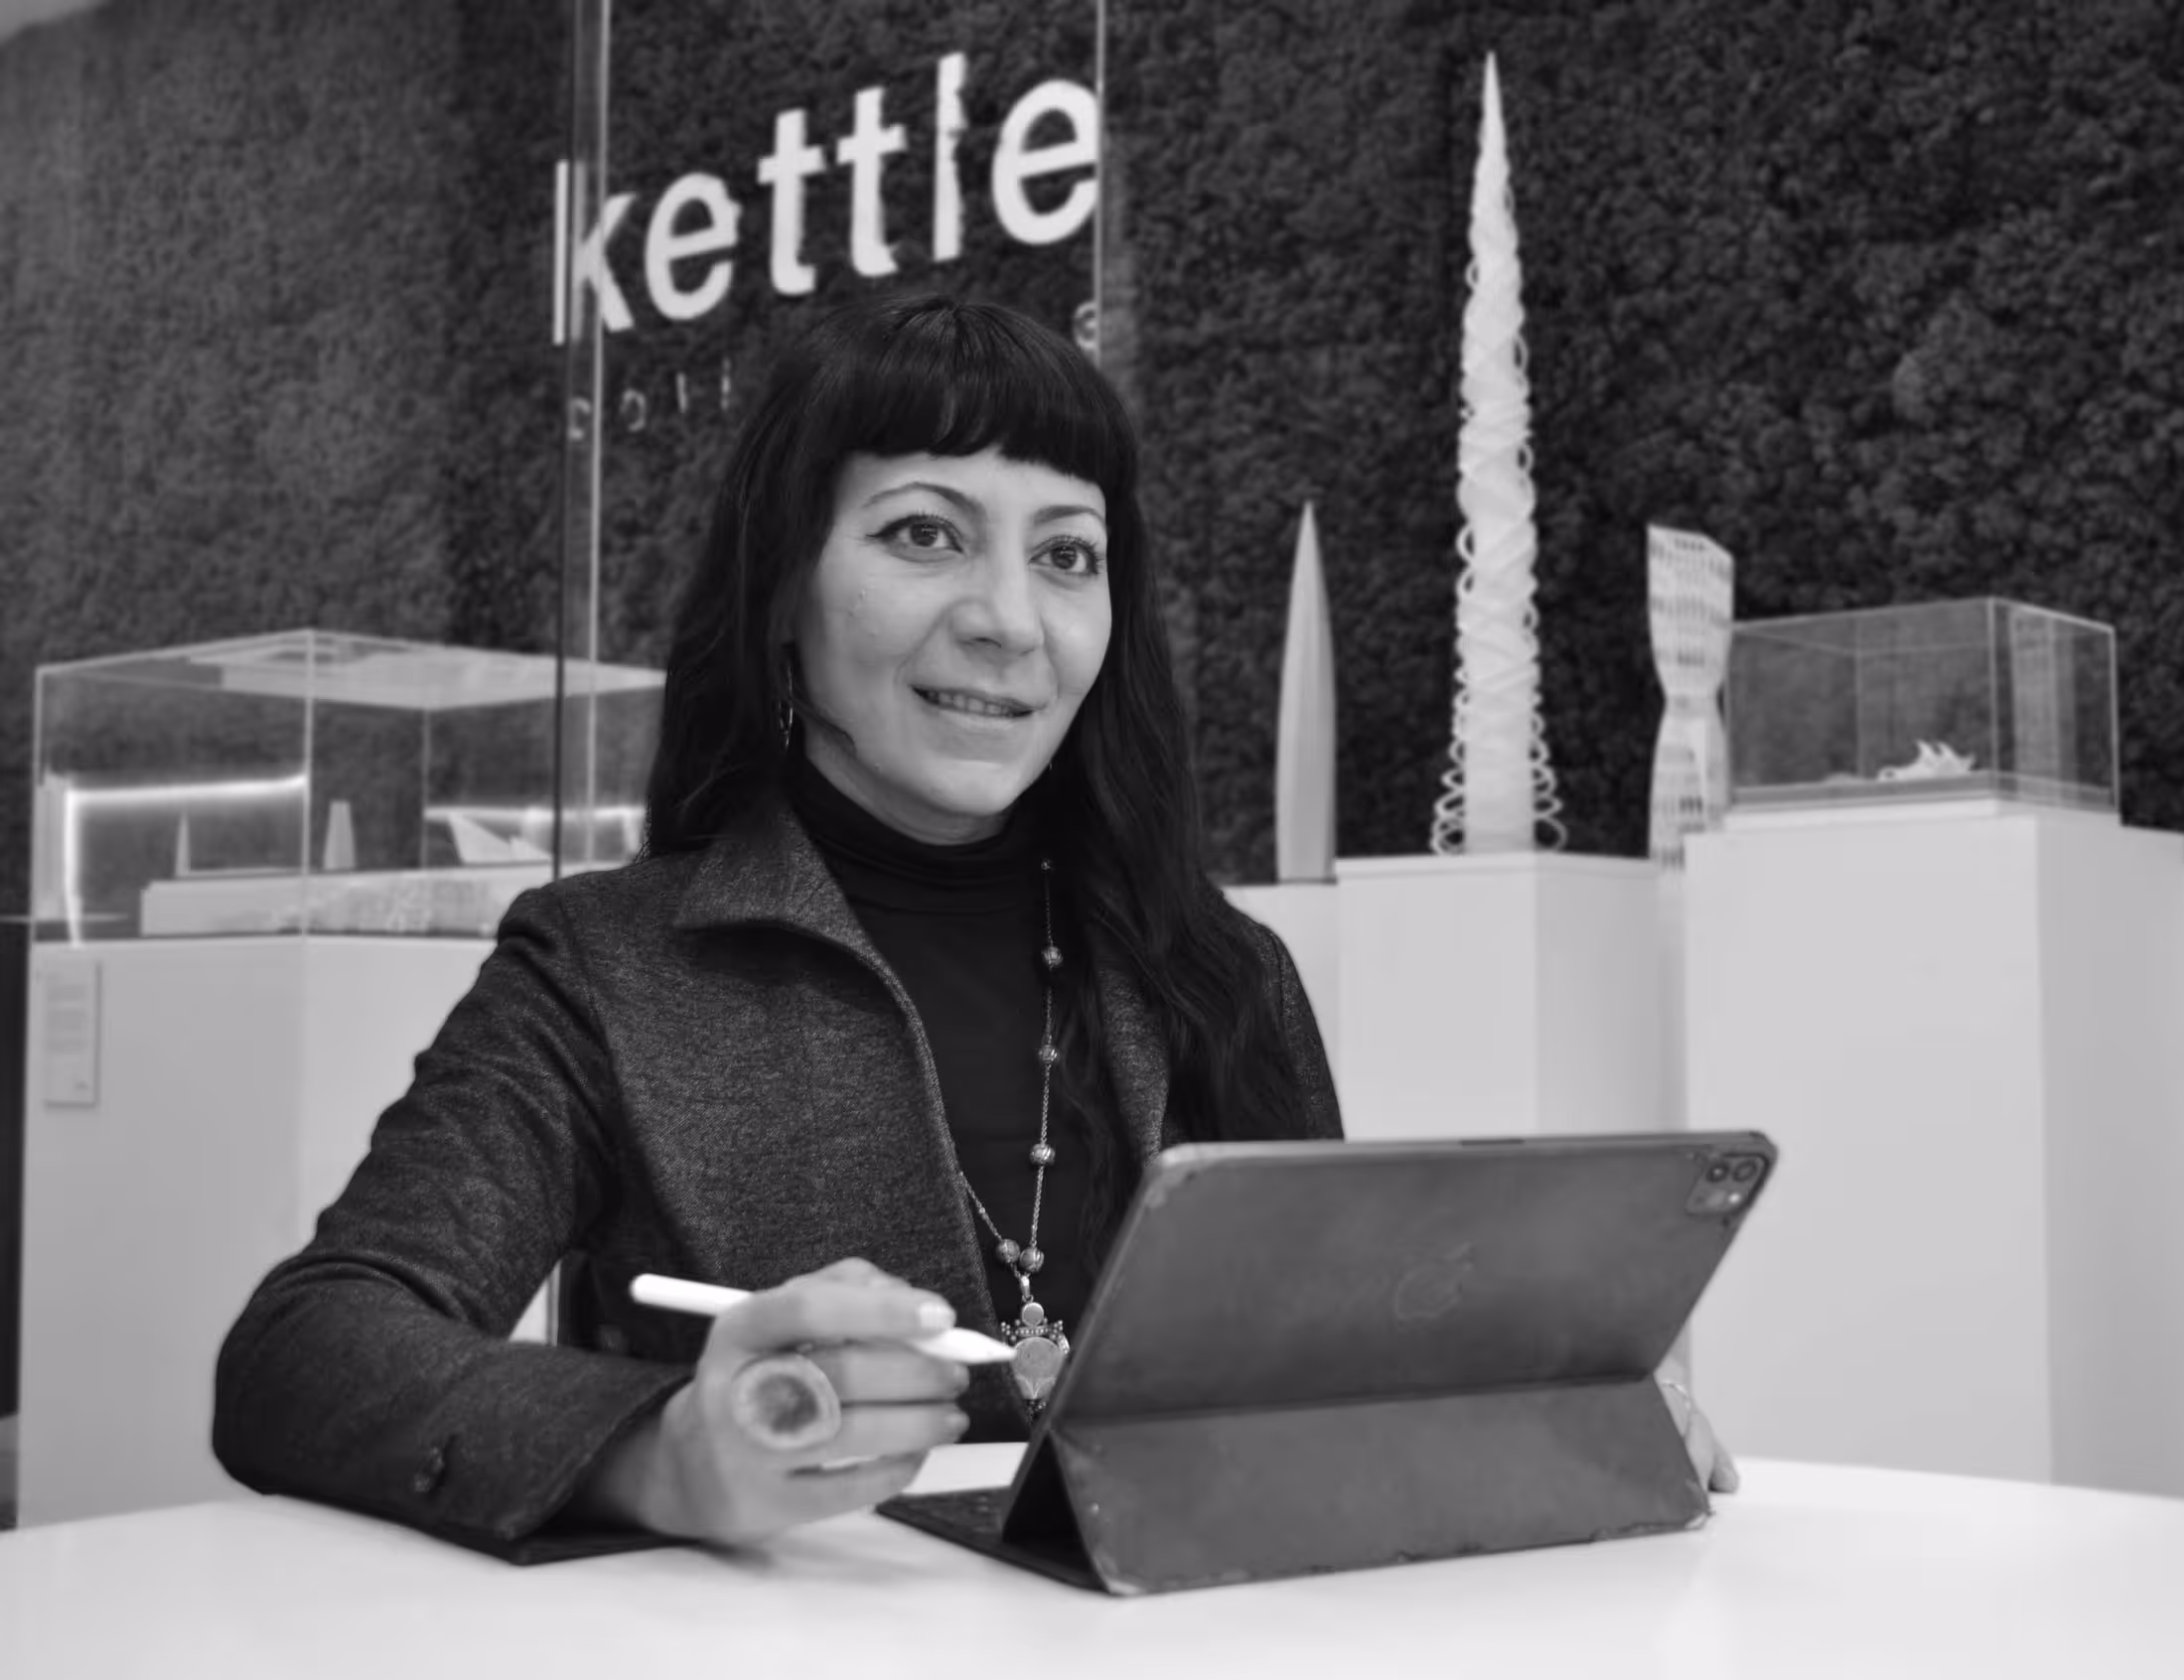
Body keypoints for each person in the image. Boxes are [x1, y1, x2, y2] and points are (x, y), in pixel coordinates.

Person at [213, 293, 1729, 1563]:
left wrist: (1537, 1394)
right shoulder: (602, 965)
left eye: (1067, 554)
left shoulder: (1218, 975)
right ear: (783, 587)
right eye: (926, 534)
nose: (1010, 618)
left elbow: (1309, 1380)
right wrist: (663, 1452)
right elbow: (305, 1349)